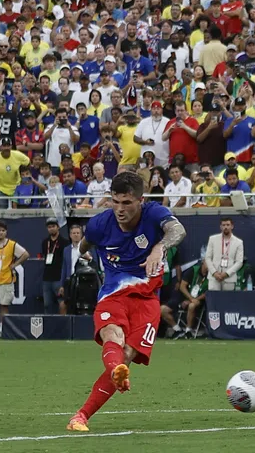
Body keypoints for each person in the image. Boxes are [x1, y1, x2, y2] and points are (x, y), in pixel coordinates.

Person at [67, 170, 185, 431]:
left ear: (140, 201)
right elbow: (84, 245)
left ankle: (108, 380)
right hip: (114, 294)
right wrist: (84, 254)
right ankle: (81, 416)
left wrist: (159, 247)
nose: (120, 209)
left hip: (147, 300)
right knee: (114, 336)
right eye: (115, 201)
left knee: (128, 355)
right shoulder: (100, 224)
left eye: (127, 202)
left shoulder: (153, 214)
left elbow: (178, 230)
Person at [202, 217, 245, 292]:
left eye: (228, 225)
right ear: (220, 227)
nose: (225, 227)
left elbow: (239, 262)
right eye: (223, 225)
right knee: (214, 298)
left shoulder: (238, 242)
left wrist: (226, 274)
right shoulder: (212, 239)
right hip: (214, 277)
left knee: (227, 299)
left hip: (229, 278)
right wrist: (214, 273)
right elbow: (208, 258)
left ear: (232, 226)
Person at [37, 218, 65, 314]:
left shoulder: (64, 242)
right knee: (47, 304)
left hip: (59, 277)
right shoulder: (45, 242)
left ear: (58, 227)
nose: (51, 229)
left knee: (62, 303)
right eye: (49, 227)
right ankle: (48, 322)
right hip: (47, 278)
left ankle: (63, 322)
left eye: (53, 226)